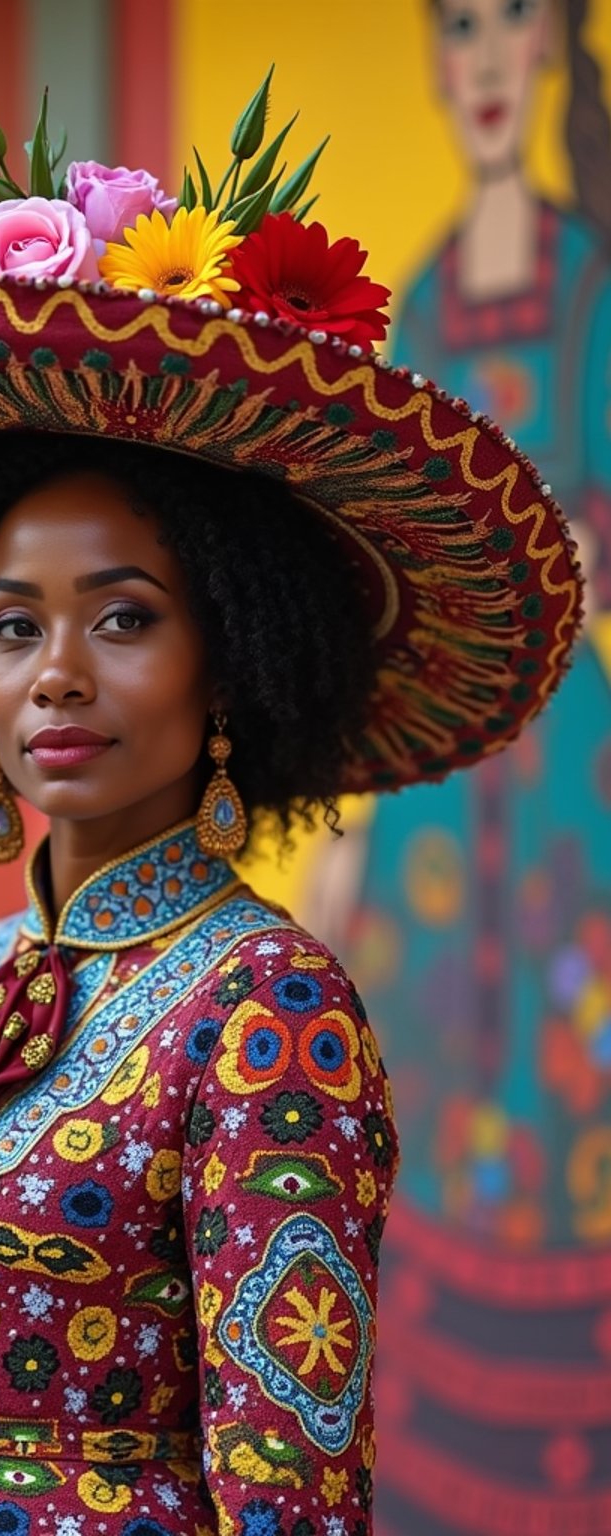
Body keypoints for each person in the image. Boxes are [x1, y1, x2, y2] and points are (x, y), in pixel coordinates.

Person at [0, 75, 580, 1536]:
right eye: (13, 624)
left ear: (236, 653)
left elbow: (292, 1495)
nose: (57, 678)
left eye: (127, 618)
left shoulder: (269, 1008)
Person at [307, 3, 611, 1529]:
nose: (489, 62)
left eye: (516, 25)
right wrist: (349, 830)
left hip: (574, 790)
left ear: (557, 49)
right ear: (438, 62)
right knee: (418, 1090)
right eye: (463, 28)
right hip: (435, 785)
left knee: (577, 1098)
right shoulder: (420, 302)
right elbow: (389, 580)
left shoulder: (593, 286)